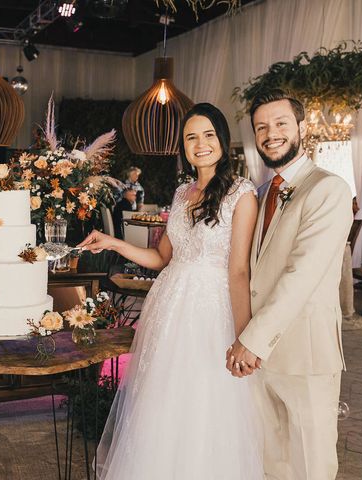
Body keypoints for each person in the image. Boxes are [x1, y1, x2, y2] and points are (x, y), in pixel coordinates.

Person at [78, 103, 262, 478]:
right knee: (161, 405)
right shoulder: (181, 193)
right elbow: (161, 257)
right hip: (168, 308)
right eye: (191, 137)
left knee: (204, 405)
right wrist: (113, 244)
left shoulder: (242, 194)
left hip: (212, 313)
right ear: (183, 146)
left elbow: (239, 269)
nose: (201, 144)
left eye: (209, 134)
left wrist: (245, 336)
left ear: (223, 140)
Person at [226, 90, 353, 479]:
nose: (271, 134)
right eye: (261, 127)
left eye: (281, 123)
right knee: (272, 463)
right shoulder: (261, 194)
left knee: (312, 465)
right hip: (261, 359)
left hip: (305, 354)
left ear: (301, 127)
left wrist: (250, 339)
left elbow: (301, 276)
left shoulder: (329, 189)